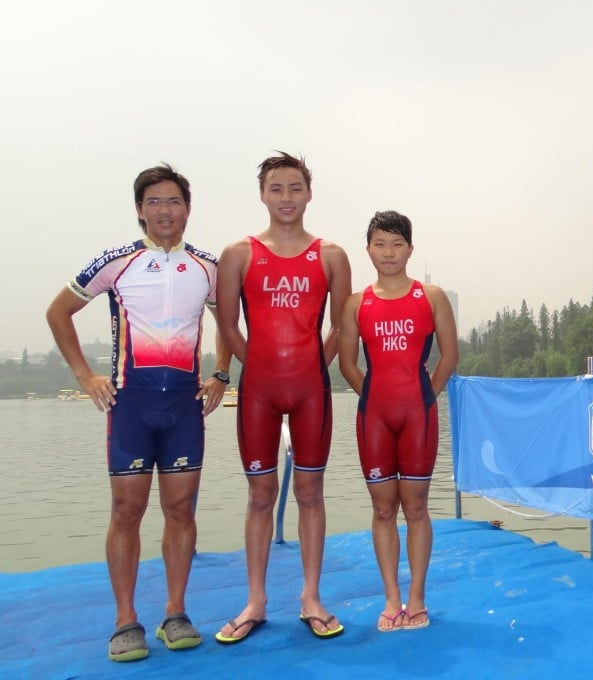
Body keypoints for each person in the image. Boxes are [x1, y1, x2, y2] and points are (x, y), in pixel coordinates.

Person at [46, 164, 231, 662]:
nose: (164, 210)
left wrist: (221, 373)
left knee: (181, 511)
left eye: (173, 201)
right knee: (127, 511)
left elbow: (229, 321)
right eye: (154, 202)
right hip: (131, 404)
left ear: (187, 209)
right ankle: (125, 620)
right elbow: (57, 311)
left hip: (185, 406)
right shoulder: (118, 262)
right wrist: (86, 376)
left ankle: (176, 613)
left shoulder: (208, 267)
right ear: (139, 210)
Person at [215, 152, 352, 643]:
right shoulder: (238, 254)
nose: (287, 198)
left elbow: (342, 325)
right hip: (259, 390)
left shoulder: (331, 255)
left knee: (311, 493)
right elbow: (227, 325)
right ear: (262, 195)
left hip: (312, 388)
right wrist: (257, 367)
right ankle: (255, 600)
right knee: (260, 495)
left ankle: (311, 597)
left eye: (295, 188)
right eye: (276, 188)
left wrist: (314, 365)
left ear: (309, 194)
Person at [338, 210, 459, 632]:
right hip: (374, 418)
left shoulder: (431, 297)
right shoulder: (356, 303)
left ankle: (417, 597)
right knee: (383, 508)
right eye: (380, 244)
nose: (388, 252)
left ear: (410, 249)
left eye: (397, 244)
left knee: (417, 507)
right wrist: (373, 398)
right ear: (368, 249)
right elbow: (347, 364)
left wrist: (424, 397)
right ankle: (391, 598)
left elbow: (449, 357)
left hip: (417, 416)